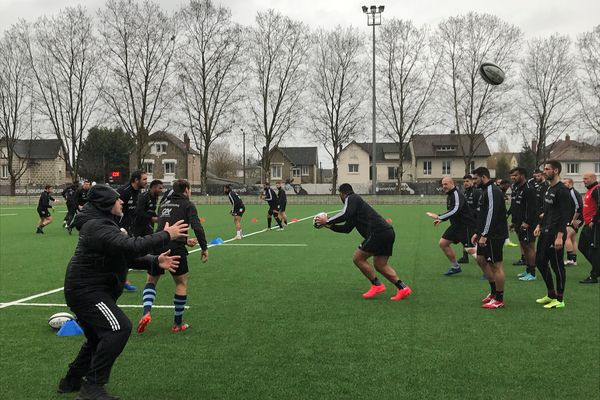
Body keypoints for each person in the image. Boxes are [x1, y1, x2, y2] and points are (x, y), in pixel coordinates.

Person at [57, 184, 188, 399]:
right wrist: (166, 234)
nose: (121, 202)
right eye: (117, 199)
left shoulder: (102, 224)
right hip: (87, 292)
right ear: (106, 204)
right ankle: (92, 387)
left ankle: (71, 381)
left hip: (90, 290)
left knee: (96, 338)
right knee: (119, 328)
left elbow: (124, 256)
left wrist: (156, 261)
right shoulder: (97, 227)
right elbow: (131, 247)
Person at [315, 183, 411, 301]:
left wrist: (327, 220)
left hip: (378, 233)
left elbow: (345, 214)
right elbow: (346, 229)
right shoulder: (354, 207)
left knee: (358, 258)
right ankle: (403, 288)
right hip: (387, 232)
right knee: (380, 265)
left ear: (342, 194)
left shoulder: (352, 198)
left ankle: (377, 285)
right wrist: (328, 225)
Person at [137, 179, 208, 334]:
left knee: (151, 280)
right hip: (175, 248)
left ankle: (146, 312)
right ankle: (177, 324)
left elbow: (164, 227)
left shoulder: (163, 204)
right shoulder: (188, 205)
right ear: (186, 190)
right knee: (181, 283)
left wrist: (186, 240)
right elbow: (197, 226)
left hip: (157, 244)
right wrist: (204, 247)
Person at [534, 161, 571, 309]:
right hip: (546, 231)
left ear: (556, 171)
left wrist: (560, 236)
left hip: (556, 233)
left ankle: (560, 299)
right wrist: (539, 225)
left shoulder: (563, 190)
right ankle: (551, 294)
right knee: (540, 262)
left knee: (557, 265)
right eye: (544, 169)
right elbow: (547, 212)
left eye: (547, 169)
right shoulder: (549, 188)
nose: (545, 172)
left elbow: (564, 215)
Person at [471, 167, 508, 309]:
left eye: (476, 178)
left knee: (495, 265)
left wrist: (485, 235)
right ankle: (493, 292)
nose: (474, 181)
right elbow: (483, 214)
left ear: (483, 177)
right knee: (480, 260)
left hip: (494, 235)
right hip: (484, 233)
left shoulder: (492, 190)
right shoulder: (485, 191)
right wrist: (477, 232)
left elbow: (491, 214)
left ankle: (499, 298)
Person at [427, 177, 476, 276]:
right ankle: (455, 267)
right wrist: (441, 219)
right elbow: (452, 212)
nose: (444, 186)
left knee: (471, 250)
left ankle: (489, 271)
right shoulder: (450, 195)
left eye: (446, 184)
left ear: (452, 183)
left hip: (465, 226)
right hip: (456, 226)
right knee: (443, 243)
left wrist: (439, 216)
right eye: (442, 184)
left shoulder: (456, 194)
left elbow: (455, 210)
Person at [117, 171, 148, 292]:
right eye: (144, 179)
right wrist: (118, 227)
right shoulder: (123, 191)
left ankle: (122, 278)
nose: (146, 182)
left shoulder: (138, 192)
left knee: (127, 253)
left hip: (129, 227)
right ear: (136, 180)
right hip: (119, 228)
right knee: (123, 253)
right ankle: (122, 279)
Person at [509, 167, 538, 281]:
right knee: (524, 247)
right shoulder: (516, 188)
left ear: (522, 175)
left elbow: (532, 208)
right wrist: (514, 222)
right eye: (512, 175)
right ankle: (527, 270)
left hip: (527, 224)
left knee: (529, 247)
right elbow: (516, 206)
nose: (513, 178)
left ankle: (532, 273)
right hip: (518, 223)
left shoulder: (528, 189)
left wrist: (527, 222)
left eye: (515, 175)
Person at [579, 172, 600, 283]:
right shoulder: (590, 190)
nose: (584, 180)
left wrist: (594, 220)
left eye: (586, 178)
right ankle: (597, 268)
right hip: (588, 224)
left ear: (593, 178)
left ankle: (594, 275)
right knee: (582, 246)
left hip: (595, 225)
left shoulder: (597, 189)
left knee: (595, 249)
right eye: (583, 178)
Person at [457, 174, 480, 264]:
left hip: (474, 220)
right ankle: (465, 256)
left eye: (467, 181)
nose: (465, 183)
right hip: (466, 220)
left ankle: (482, 257)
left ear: (472, 181)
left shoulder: (477, 192)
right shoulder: (465, 192)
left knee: (475, 239)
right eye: (464, 182)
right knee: (464, 237)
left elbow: (479, 207)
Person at [562, 177, 583, 266]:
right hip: (575, 218)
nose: (563, 184)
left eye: (565, 183)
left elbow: (579, 206)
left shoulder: (572, 192)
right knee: (572, 238)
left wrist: (574, 219)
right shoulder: (569, 192)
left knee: (566, 237)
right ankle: (574, 260)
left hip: (573, 218)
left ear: (570, 183)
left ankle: (570, 260)